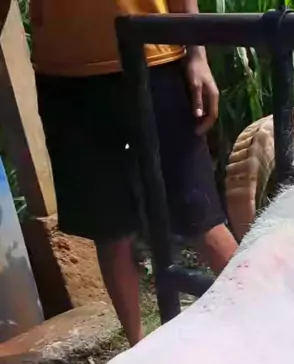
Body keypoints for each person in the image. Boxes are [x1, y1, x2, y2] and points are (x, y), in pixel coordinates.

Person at [30, 0, 238, 345]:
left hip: (154, 53)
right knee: (110, 229)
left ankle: (270, 329)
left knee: (199, 213)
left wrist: (197, 54)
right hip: (66, 71)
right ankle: (138, 349)